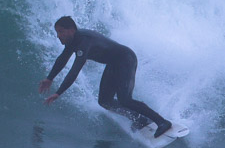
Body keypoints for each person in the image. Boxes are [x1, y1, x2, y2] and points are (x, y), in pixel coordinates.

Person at [39, 16, 173, 137]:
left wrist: (58, 93)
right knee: (105, 101)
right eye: (57, 32)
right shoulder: (73, 41)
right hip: (114, 64)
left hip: (126, 59)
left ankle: (162, 122)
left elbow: (75, 70)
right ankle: (139, 119)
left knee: (125, 99)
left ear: (71, 30)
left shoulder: (84, 42)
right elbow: (62, 59)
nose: (58, 36)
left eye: (61, 31)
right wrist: (50, 78)